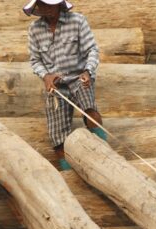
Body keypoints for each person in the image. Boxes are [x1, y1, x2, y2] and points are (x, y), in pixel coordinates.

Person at [24, 0, 107, 170]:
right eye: (41, 5)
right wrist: (45, 76)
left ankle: (105, 157)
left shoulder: (77, 21)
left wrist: (87, 71)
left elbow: (92, 50)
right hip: (56, 85)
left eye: (49, 5)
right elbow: (35, 60)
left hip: (79, 77)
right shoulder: (34, 29)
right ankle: (69, 173)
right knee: (58, 136)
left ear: (59, 5)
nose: (45, 9)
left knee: (90, 111)